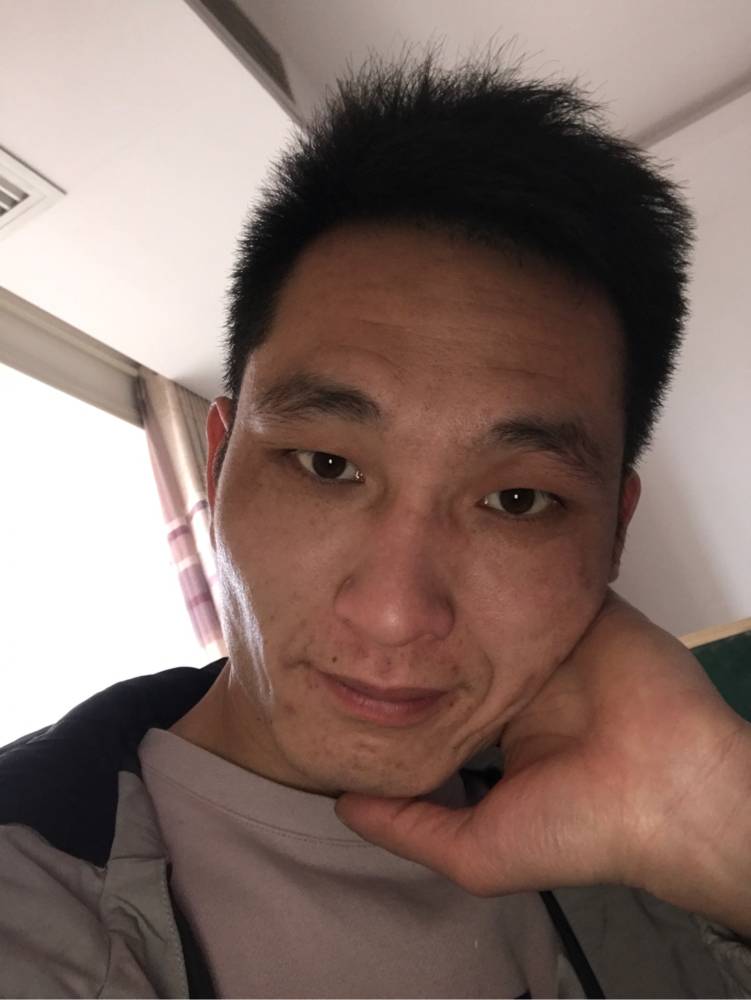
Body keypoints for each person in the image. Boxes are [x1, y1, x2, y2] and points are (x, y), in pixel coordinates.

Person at [1, 53, 750, 999]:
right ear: (218, 466)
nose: (394, 614)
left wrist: (720, 830)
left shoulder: (659, 839)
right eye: (328, 465)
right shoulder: (33, 894)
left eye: (516, 500)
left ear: (613, 536)